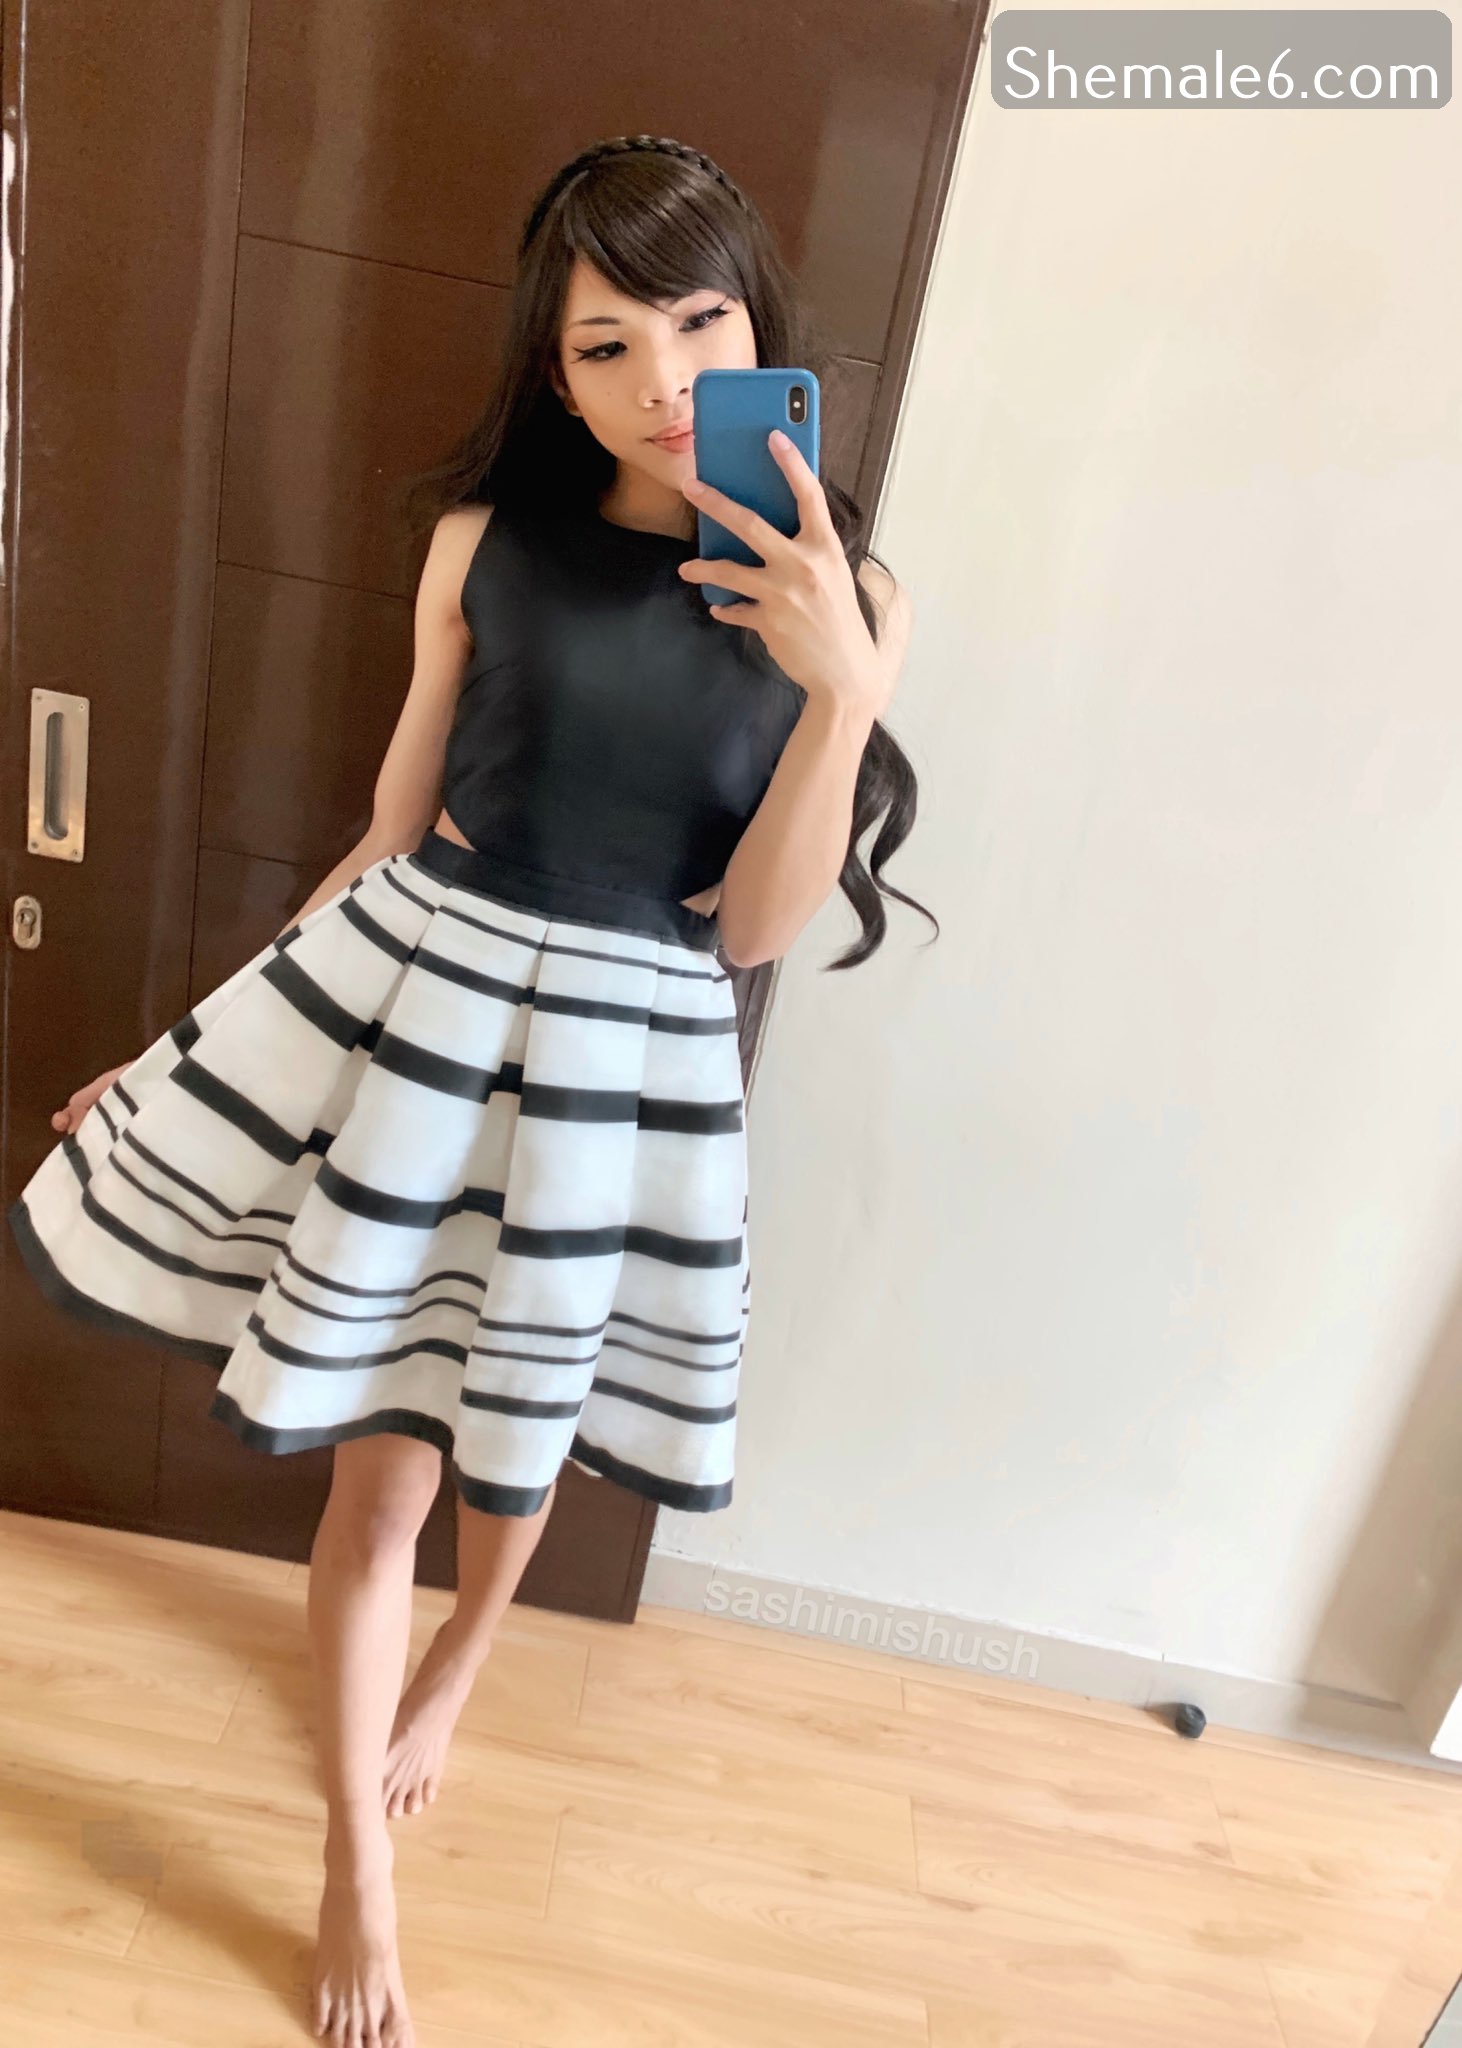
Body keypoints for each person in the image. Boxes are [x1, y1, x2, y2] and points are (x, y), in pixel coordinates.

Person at [7, 133, 936, 2048]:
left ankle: (462, 1664)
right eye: (607, 345)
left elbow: (754, 933)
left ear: (760, 327)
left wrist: (840, 688)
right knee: (385, 1464)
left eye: (700, 325)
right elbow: (382, 839)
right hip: (428, 1012)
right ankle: (354, 1856)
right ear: (551, 368)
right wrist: (180, 1063)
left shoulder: (855, 596)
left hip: (632, 1051)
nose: (663, 381)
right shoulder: (479, 545)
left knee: (527, 1433)